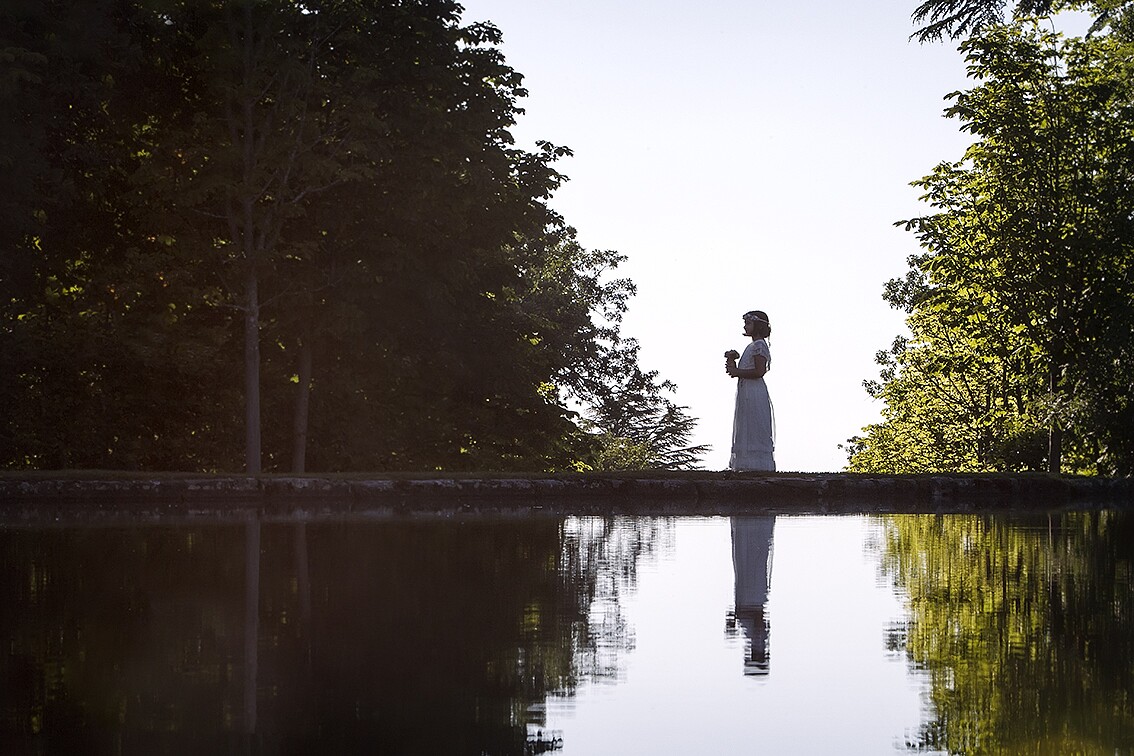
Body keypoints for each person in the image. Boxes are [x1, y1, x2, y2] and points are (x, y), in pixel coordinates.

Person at [724, 310, 775, 471]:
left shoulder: (759, 345)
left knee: (753, 424)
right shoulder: (753, 345)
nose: (745, 326)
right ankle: (746, 464)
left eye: (748, 323)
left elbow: (759, 371)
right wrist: (732, 362)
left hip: (754, 391)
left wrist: (738, 372)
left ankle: (756, 464)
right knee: (746, 423)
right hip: (747, 390)